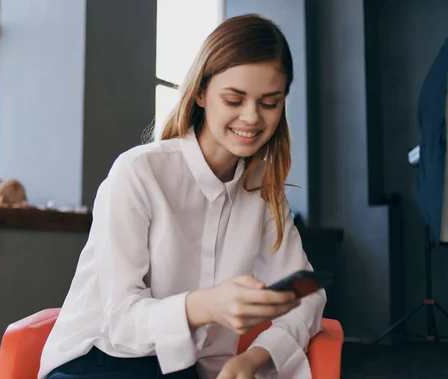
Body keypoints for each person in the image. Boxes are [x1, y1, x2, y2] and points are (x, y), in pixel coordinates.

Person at [38, 13, 326, 379]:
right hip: (99, 359)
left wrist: (253, 359)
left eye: (269, 103)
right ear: (202, 93)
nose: (252, 117)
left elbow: (307, 295)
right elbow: (119, 321)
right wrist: (206, 306)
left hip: (186, 370)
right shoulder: (139, 172)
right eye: (234, 99)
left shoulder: (263, 195)